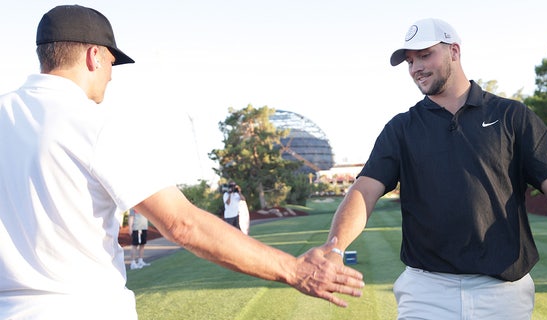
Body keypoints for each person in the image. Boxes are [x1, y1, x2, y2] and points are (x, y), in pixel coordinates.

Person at [0, 5, 363, 318]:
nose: (111, 75)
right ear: (94, 56)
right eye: (112, 62)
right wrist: (295, 270)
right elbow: (183, 224)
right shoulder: (94, 124)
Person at [322, 18, 547, 320]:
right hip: (426, 292)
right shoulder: (401, 128)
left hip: (505, 294)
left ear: (454, 51)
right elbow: (364, 191)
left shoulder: (512, 116)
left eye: (425, 55)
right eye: (410, 61)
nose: (415, 68)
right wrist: (334, 249)